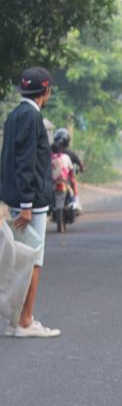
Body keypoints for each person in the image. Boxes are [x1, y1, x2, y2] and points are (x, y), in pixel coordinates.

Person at [0, 66, 61, 338]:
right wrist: (26, 203)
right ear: (45, 91)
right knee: (34, 259)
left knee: (23, 258)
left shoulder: (15, 116)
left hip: (18, 197)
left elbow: (7, 159)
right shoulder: (32, 118)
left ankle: (18, 320)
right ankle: (25, 321)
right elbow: (26, 162)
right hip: (31, 202)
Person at [52, 128, 84, 213]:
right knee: (74, 183)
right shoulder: (70, 153)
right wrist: (82, 169)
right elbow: (80, 164)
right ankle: (75, 202)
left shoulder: (51, 153)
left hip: (52, 179)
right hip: (66, 179)